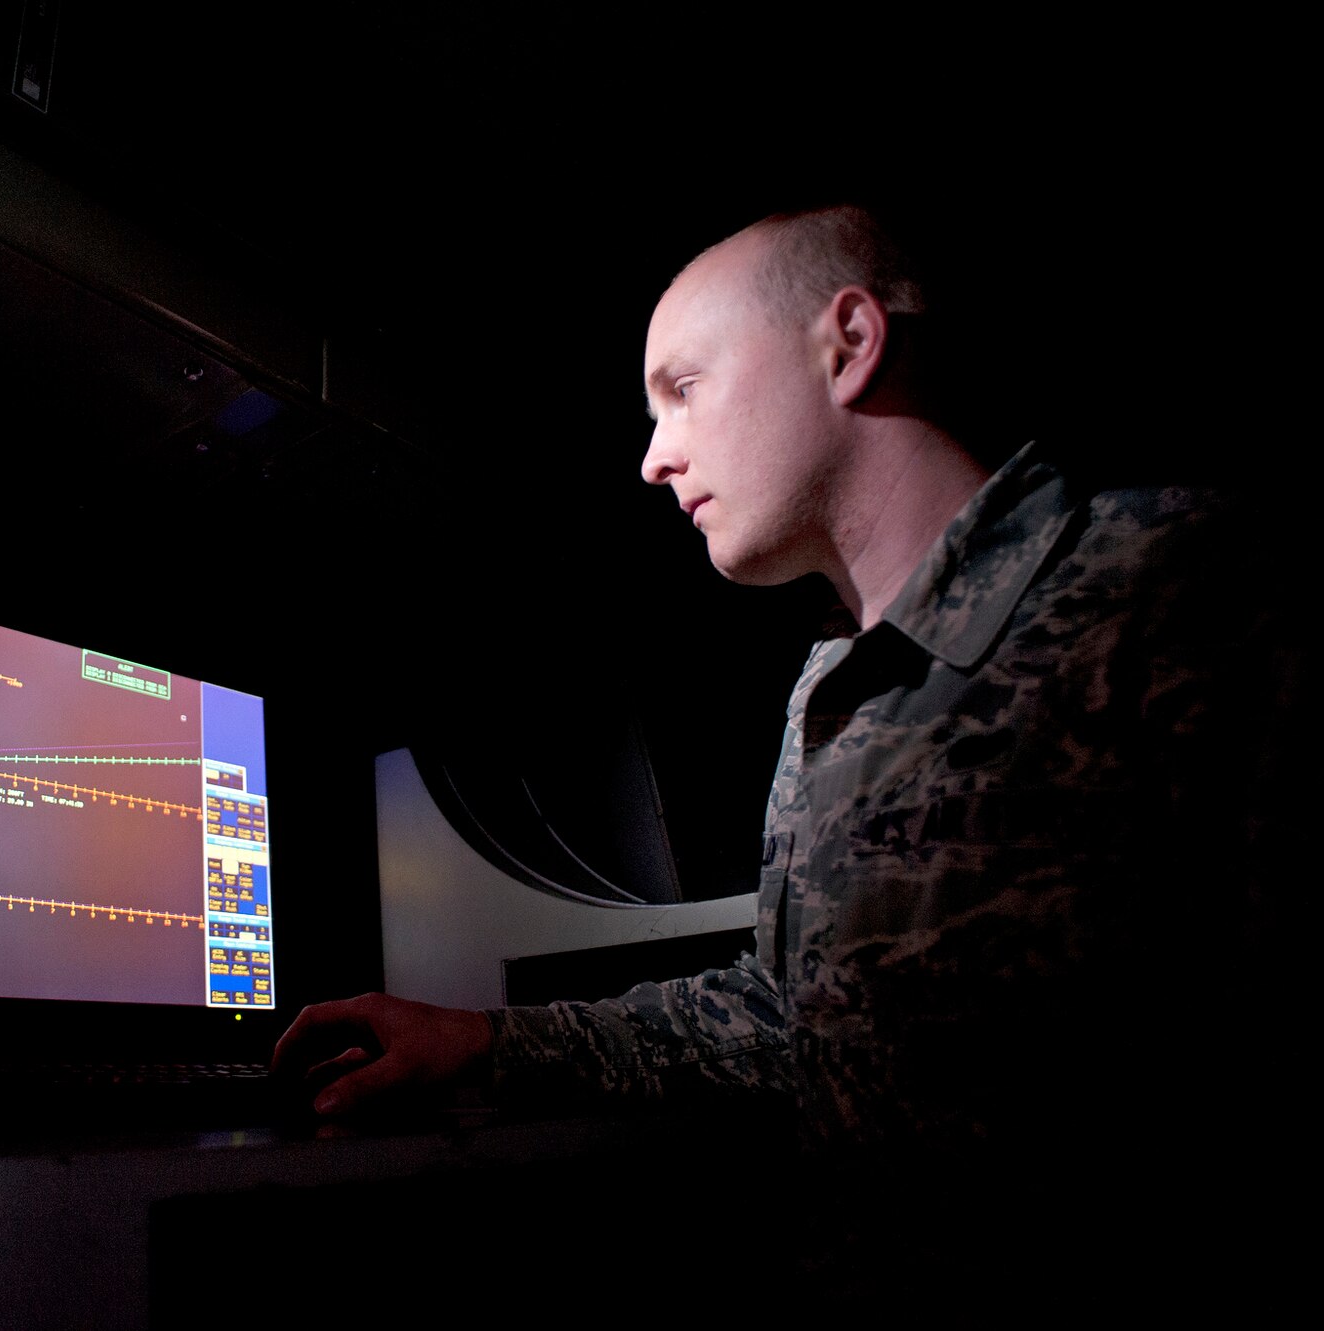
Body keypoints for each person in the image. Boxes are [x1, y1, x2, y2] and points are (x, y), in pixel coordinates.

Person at [273, 204, 1298, 1307]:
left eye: (682, 388)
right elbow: (797, 1014)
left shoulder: (1177, 582)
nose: (653, 457)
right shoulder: (830, 687)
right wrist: (484, 1039)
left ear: (847, 344)